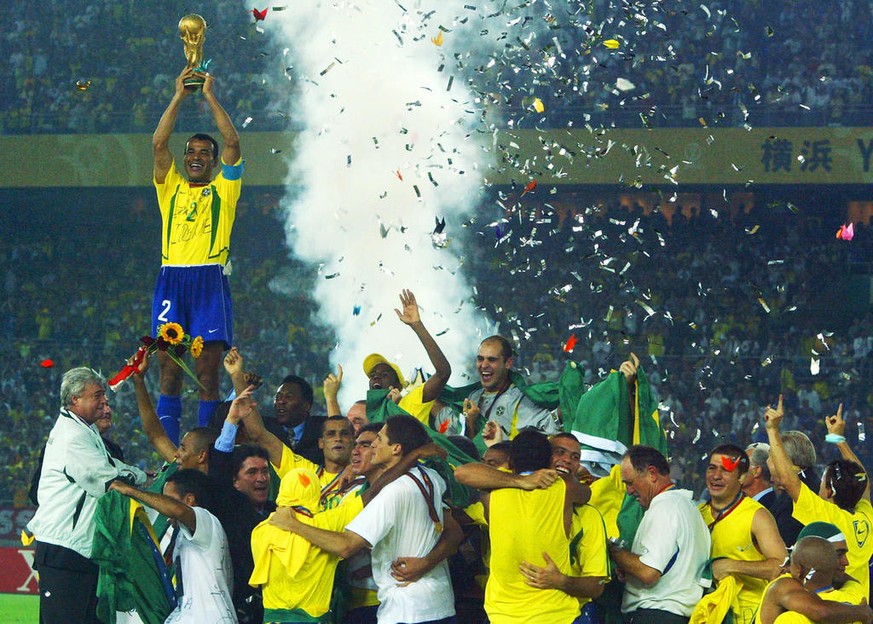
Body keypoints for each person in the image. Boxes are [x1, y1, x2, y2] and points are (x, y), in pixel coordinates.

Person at [269, 415, 459, 624]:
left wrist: (293, 524)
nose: (372, 446)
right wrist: (426, 563)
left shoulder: (392, 493)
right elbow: (454, 532)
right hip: (440, 605)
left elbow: (346, 546)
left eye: (377, 440)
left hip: (406, 610)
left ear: (396, 448)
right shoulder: (431, 477)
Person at [151, 65, 243, 443]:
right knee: (168, 374)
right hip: (171, 278)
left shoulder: (225, 190)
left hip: (208, 280)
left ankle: (206, 448)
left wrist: (208, 95)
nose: (194, 156)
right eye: (190, 151)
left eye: (204, 153)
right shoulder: (169, 187)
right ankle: (170, 454)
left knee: (208, 376)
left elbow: (234, 144)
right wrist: (178, 95)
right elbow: (159, 144)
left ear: (214, 161)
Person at [27, 367, 148, 624]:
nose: (104, 402)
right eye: (97, 395)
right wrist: (143, 480)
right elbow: (104, 479)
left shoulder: (83, 429)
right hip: (64, 550)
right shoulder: (73, 437)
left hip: (77, 550)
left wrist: (141, 475)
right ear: (75, 399)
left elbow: (111, 466)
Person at [455, 429, 590, 624]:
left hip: (503, 616)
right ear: (548, 461)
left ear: (510, 462)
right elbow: (586, 494)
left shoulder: (491, 493)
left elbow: (462, 473)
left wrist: (518, 480)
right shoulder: (565, 489)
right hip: (555, 616)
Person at [765, 397, 872, 600]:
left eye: (823, 481)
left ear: (829, 492)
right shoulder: (866, 518)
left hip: (830, 607)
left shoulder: (826, 516)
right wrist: (839, 440)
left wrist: (772, 431)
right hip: (857, 605)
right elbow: (864, 482)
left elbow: (790, 481)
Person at [110, 469, 237, 623]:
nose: (162, 508)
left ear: (189, 500)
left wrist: (131, 491)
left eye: (167, 499)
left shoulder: (207, 521)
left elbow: (178, 510)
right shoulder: (182, 536)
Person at [608, 445, 710, 624]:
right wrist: (629, 569)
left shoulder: (665, 506)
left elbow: (649, 572)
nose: (629, 491)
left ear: (652, 474)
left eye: (630, 482)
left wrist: (614, 551)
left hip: (655, 615)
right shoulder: (688, 508)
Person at [698, 444, 787, 624]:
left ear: (742, 477)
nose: (716, 476)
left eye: (726, 470)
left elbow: (781, 567)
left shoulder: (757, 516)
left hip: (747, 615)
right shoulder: (698, 514)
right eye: (712, 468)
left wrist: (732, 566)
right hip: (706, 612)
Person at [363, 289, 452, 427]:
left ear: (397, 385)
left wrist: (417, 325)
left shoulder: (411, 401)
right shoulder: (362, 415)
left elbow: (443, 372)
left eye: (384, 374)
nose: (375, 377)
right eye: (372, 375)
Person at [462, 335, 560, 440]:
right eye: (480, 359)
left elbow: (552, 424)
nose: (484, 365)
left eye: (491, 359)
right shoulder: (473, 397)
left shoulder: (519, 399)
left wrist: (569, 396)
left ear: (508, 363)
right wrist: (470, 422)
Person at [755, 536, 871, 624]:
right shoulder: (856, 595)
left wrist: (863, 613)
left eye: (791, 563)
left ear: (799, 570)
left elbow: (822, 612)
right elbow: (851, 581)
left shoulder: (792, 617)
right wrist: (863, 612)